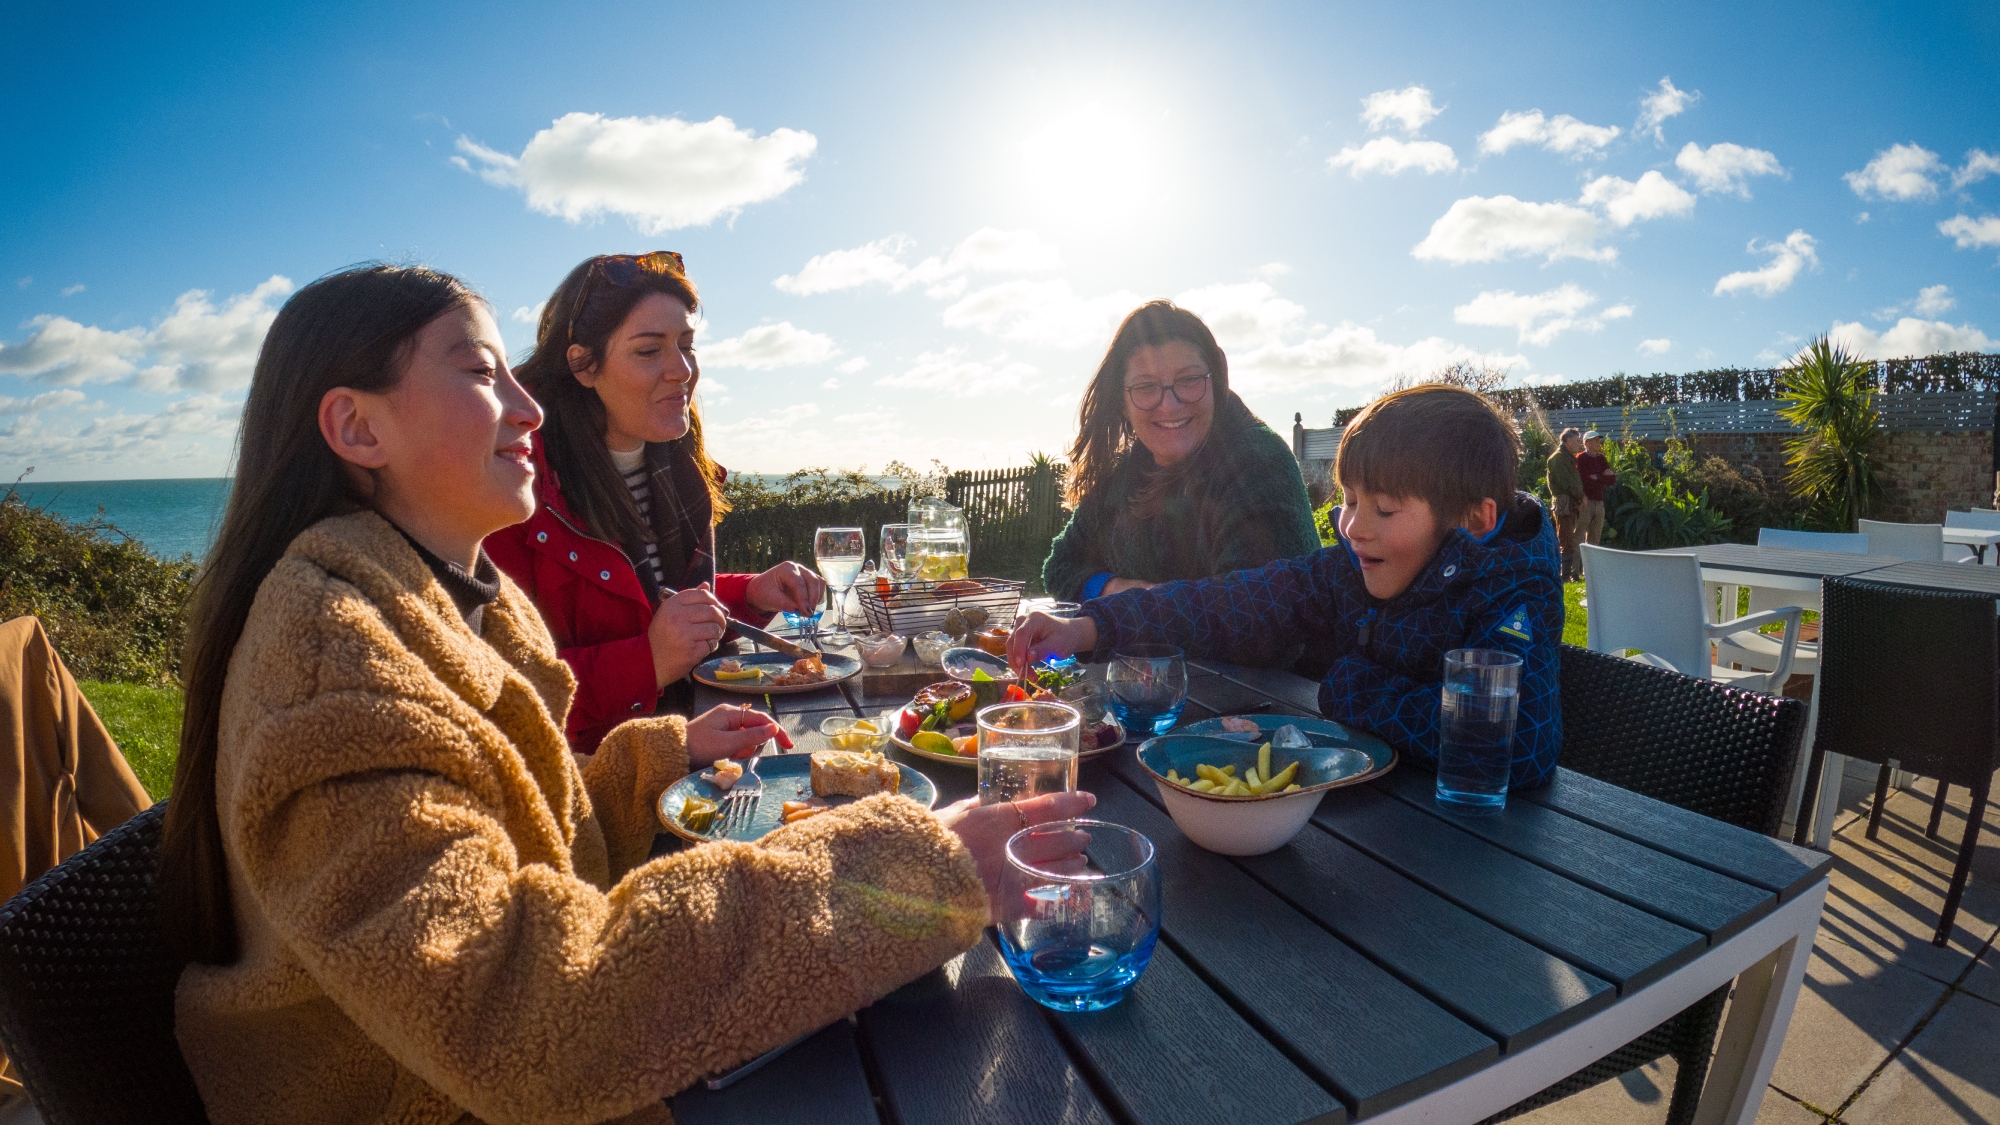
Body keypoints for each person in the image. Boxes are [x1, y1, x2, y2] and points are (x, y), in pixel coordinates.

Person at [158, 264, 1094, 1124]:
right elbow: (525, 1015)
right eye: (484, 374)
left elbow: (512, 808)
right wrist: (908, 870)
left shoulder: (446, 588)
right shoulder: (333, 659)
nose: (530, 407)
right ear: (358, 427)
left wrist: (648, 757)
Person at [1011, 383, 1562, 789]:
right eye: (1348, 501)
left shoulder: (1511, 594)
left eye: (1385, 509)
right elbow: (1223, 602)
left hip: (1484, 874)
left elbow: (1515, 746)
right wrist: (1087, 628)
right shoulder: (1350, 566)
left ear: (1474, 522)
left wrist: (1350, 687)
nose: (1353, 527)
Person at [487, 252, 825, 754]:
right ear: (583, 365)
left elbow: (657, 602)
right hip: (591, 783)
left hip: (695, 737)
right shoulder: (511, 487)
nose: (681, 371)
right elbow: (496, 688)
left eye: (686, 346)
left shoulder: (676, 462)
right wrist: (645, 663)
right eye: (649, 351)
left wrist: (751, 593)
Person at [1040, 301, 1320, 603]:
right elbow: (1059, 566)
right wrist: (1117, 589)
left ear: (1216, 379)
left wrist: (1131, 611)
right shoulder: (1125, 475)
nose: (1170, 405)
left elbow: (1250, 613)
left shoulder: (1257, 464)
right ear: (1121, 401)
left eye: (1188, 380)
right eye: (1146, 387)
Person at [1546, 427, 1586, 581]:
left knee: (1570, 539)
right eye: (1576, 441)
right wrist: (1580, 497)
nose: (1579, 445)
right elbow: (1566, 483)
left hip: (1571, 503)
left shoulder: (1568, 458)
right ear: (1568, 441)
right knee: (1565, 540)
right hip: (1564, 504)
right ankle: (1563, 575)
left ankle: (1567, 574)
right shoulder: (1557, 459)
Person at [1576, 429, 1616, 548]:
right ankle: (1576, 566)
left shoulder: (1601, 459)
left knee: (1595, 539)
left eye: (1598, 440)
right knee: (1578, 536)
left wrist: (1597, 477)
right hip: (1585, 502)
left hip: (1599, 502)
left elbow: (1612, 480)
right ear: (1586, 443)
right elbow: (1584, 480)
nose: (1598, 443)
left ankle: (1590, 567)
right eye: (1594, 440)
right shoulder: (1580, 458)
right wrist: (1602, 477)